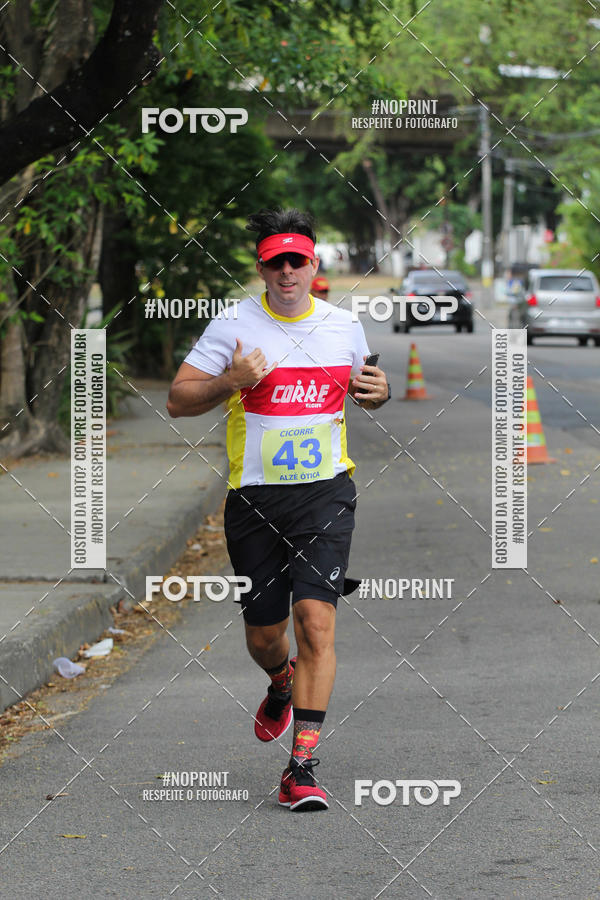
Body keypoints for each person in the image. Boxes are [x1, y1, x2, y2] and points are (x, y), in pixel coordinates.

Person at [167, 208, 389, 811]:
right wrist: (230, 381)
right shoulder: (232, 326)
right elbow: (178, 401)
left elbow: (366, 389)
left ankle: (302, 765)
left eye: (298, 260)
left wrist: (380, 392)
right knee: (266, 635)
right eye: (275, 262)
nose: (287, 271)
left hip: (326, 493)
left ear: (314, 265)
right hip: (255, 498)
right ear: (262, 268)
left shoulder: (344, 327)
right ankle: (279, 679)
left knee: (317, 621)